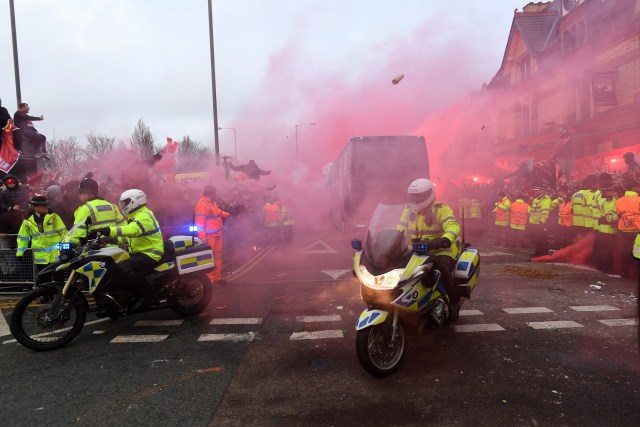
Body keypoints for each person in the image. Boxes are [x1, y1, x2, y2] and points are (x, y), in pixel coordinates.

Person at [396, 178, 462, 320]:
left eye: (418, 196)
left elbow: (453, 226)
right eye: (413, 196)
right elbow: (399, 230)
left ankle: (453, 303)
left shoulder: (441, 209)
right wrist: (392, 241)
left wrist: (445, 239)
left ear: (429, 194)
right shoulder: (408, 210)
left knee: (441, 269)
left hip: (441, 250)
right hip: (417, 250)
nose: (415, 199)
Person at [88, 189, 164, 313]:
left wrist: (107, 230)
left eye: (125, 203)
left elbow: (132, 230)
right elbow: (128, 237)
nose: (122, 206)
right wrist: (108, 240)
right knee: (112, 267)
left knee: (124, 266)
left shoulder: (144, 215)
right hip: (140, 252)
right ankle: (115, 303)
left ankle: (146, 296)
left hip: (151, 253)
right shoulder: (134, 216)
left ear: (135, 201)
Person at [16, 195, 67, 273]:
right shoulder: (27, 220)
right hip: (40, 257)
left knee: (59, 278)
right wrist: (20, 252)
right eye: (44, 205)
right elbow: (23, 237)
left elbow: (64, 233)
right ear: (36, 207)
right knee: (44, 279)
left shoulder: (54, 217)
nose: (47, 207)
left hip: (56, 254)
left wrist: (66, 247)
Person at [69, 178, 125, 245]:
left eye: (81, 193)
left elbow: (76, 237)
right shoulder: (112, 206)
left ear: (89, 194)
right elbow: (124, 230)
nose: (79, 196)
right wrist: (114, 240)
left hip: (94, 252)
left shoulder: (85, 209)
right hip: (115, 251)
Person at [195, 185, 231, 285]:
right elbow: (200, 223)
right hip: (209, 237)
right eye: (215, 192)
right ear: (211, 193)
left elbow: (218, 213)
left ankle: (216, 277)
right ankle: (209, 280)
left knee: (217, 258)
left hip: (217, 235)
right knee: (209, 259)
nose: (216, 194)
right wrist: (203, 238)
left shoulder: (212, 203)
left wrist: (227, 214)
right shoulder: (202, 204)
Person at [0, 174, 29, 279]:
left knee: (22, 252)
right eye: (8, 183)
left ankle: (24, 276)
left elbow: (26, 201)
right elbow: (2, 207)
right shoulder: (3, 194)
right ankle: (13, 275)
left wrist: (22, 209)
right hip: (8, 228)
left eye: (12, 182)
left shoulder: (23, 191)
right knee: (8, 253)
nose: (11, 184)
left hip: (21, 226)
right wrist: (10, 208)